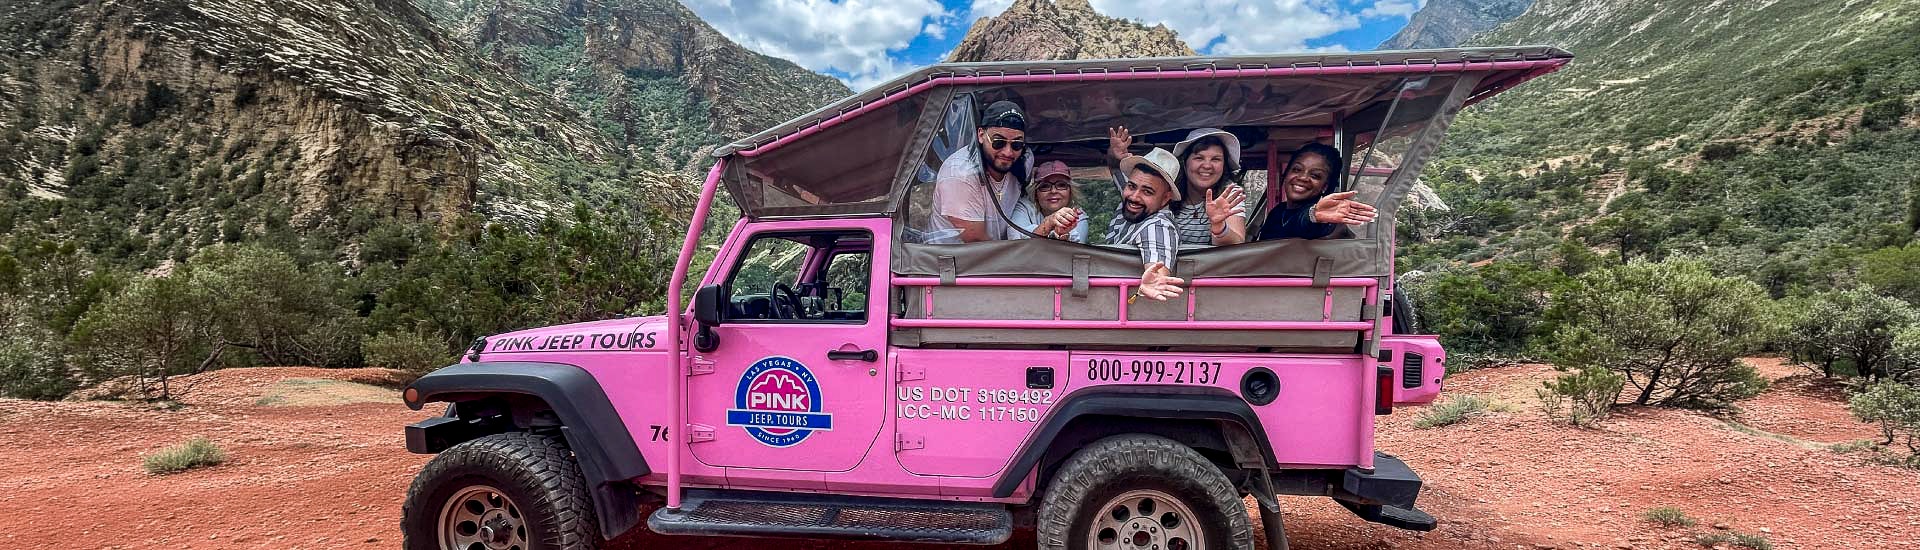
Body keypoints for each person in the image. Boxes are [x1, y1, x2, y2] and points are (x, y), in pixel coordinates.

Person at [1108, 127, 1249, 246]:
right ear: (1185, 162)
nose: (1207, 165)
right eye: (1199, 158)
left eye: (1216, 159)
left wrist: (1219, 226)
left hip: (1207, 274)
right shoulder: (1163, 186)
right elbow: (1120, 174)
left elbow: (1236, 244)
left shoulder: (1229, 193)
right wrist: (1115, 154)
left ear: (1224, 165)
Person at [929, 101, 1029, 243]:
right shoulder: (961, 174)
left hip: (997, 252)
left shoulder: (1024, 161)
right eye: (998, 142)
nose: (1008, 152)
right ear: (981, 135)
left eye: (1016, 144)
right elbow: (976, 240)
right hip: (957, 259)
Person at [1106, 148, 1186, 301]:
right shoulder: (1131, 202)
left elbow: (1158, 264)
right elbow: (1116, 170)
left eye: (1147, 192)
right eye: (1131, 186)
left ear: (1165, 199)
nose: (1134, 197)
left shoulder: (1158, 225)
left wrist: (1156, 280)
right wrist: (1113, 153)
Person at [1254, 142, 1376, 240]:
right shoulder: (1278, 212)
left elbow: (1305, 224)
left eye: (1315, 176)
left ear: (1325, 186)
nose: (1303, 178)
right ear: (1286, 174)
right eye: (1297, 169)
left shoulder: (1326, 219)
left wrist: (1313, 216)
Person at [1008, 160, 1088, 242]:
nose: (1053, 191)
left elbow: (1075, 249)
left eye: (1061, 185)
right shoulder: (1024, 207)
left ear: (1070, 191)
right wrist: (1049, 223)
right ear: (1036, 193)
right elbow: (1016, 241)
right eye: (1045, 186)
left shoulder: (1077, 215)